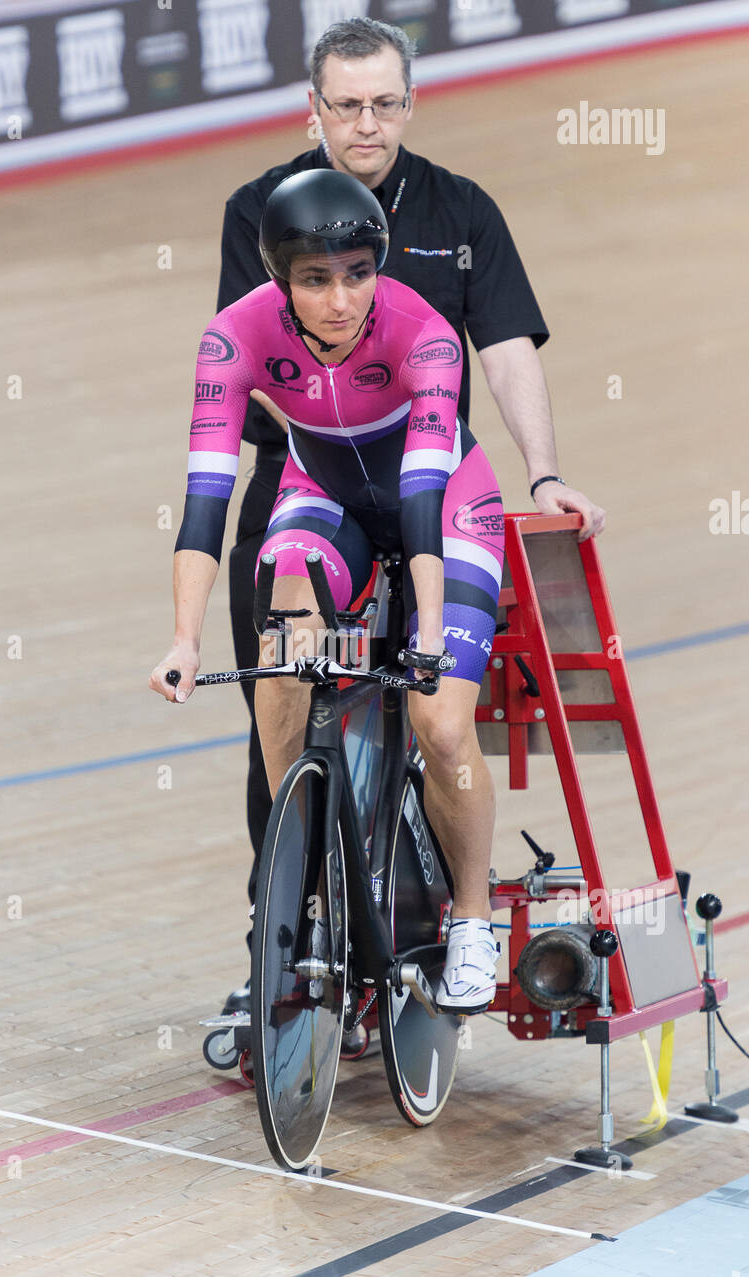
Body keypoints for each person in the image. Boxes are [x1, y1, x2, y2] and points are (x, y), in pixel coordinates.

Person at [218, 18, 605, 1008]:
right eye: (344, 104)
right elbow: (243, 361)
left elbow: (507, 348)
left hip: (435, 497)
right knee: (286, 706)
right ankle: (284, 953)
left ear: (409, 102)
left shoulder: (459, 210)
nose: (366, 122)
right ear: (312, 108)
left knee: (439, 724)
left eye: (384, 101)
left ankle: (440, 919)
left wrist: (544, 474)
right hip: (306, 494)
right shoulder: (258, 208)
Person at [151, 167, 516, 1012]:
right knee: (279, 586)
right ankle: (301, 848)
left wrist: (427, 634)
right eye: (316, 280)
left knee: (441, 722)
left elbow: (421, 498)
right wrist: (184, 639)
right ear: (279, 279)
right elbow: (205, 503)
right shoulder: (230, 339)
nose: (341, 299)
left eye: (357, 273)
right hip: (323, 497)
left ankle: (468, 918)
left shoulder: (422, 333)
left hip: (445, 503)